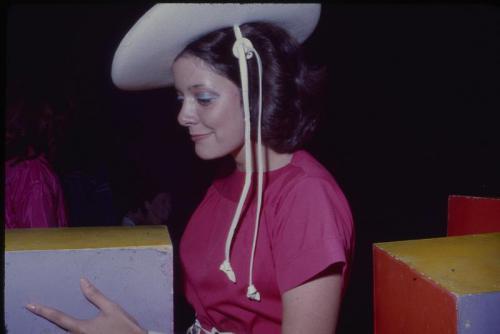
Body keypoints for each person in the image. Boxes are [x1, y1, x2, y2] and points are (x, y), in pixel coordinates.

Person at [26, 4, 354, 333]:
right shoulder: (226, 180)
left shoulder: (306, 196)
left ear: (258, 94)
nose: (184, 116)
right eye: (181, 98)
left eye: (204, 98)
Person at [5, 81, 69, 229]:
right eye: (47, 119)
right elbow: (42, 247)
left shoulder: (14, 168)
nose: (53, 126)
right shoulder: (34, 177)